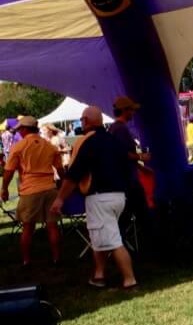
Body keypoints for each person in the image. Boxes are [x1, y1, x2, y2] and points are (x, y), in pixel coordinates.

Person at [50, 106, 137, 289]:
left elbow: (74, 175)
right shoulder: (114, 141)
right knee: (99, 237)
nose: (81, 123)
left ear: (86, 121)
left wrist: (60, 199)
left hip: (100, 198)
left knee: (113, 241)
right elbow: (127, 165)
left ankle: (130, 279)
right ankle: (99, 276)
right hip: (119, 196)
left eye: (82, 120)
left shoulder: (88, 143)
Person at [1, 116, 63, 266]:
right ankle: (56, 258)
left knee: (28, 227)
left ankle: (26, 260)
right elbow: (60, 170)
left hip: (30, 191)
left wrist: (4, 189)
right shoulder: (49, 146)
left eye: (19, 130)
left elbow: (9, 171)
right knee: (52, 226)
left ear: (24, 129)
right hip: (50, 188)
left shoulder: (19, 146)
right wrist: (62, 188)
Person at [109, 95, 151, 236]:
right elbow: (123, 154)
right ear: (125, 110)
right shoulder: (121, 129)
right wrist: (141, 157)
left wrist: (140, 167)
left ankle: (119, 246)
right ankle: (153, 247)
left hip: (124, 180)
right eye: (132, 110)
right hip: (128, 181)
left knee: (127, 216)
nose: (133, 113)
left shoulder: (114, 128)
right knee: (142, 215)